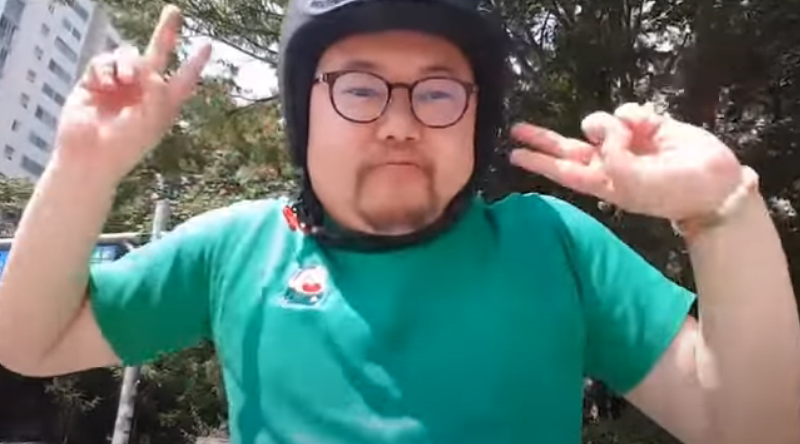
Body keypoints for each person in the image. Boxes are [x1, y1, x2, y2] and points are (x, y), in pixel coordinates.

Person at [0, 1, 797, 443]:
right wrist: (84, 165)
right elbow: (30, 340)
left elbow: (755, 430)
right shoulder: (238, 247)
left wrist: (723, 211)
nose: (399, 123)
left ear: (477, 120)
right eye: (359, 88)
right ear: (302, 113)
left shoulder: (552, 243)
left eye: (438, 92)